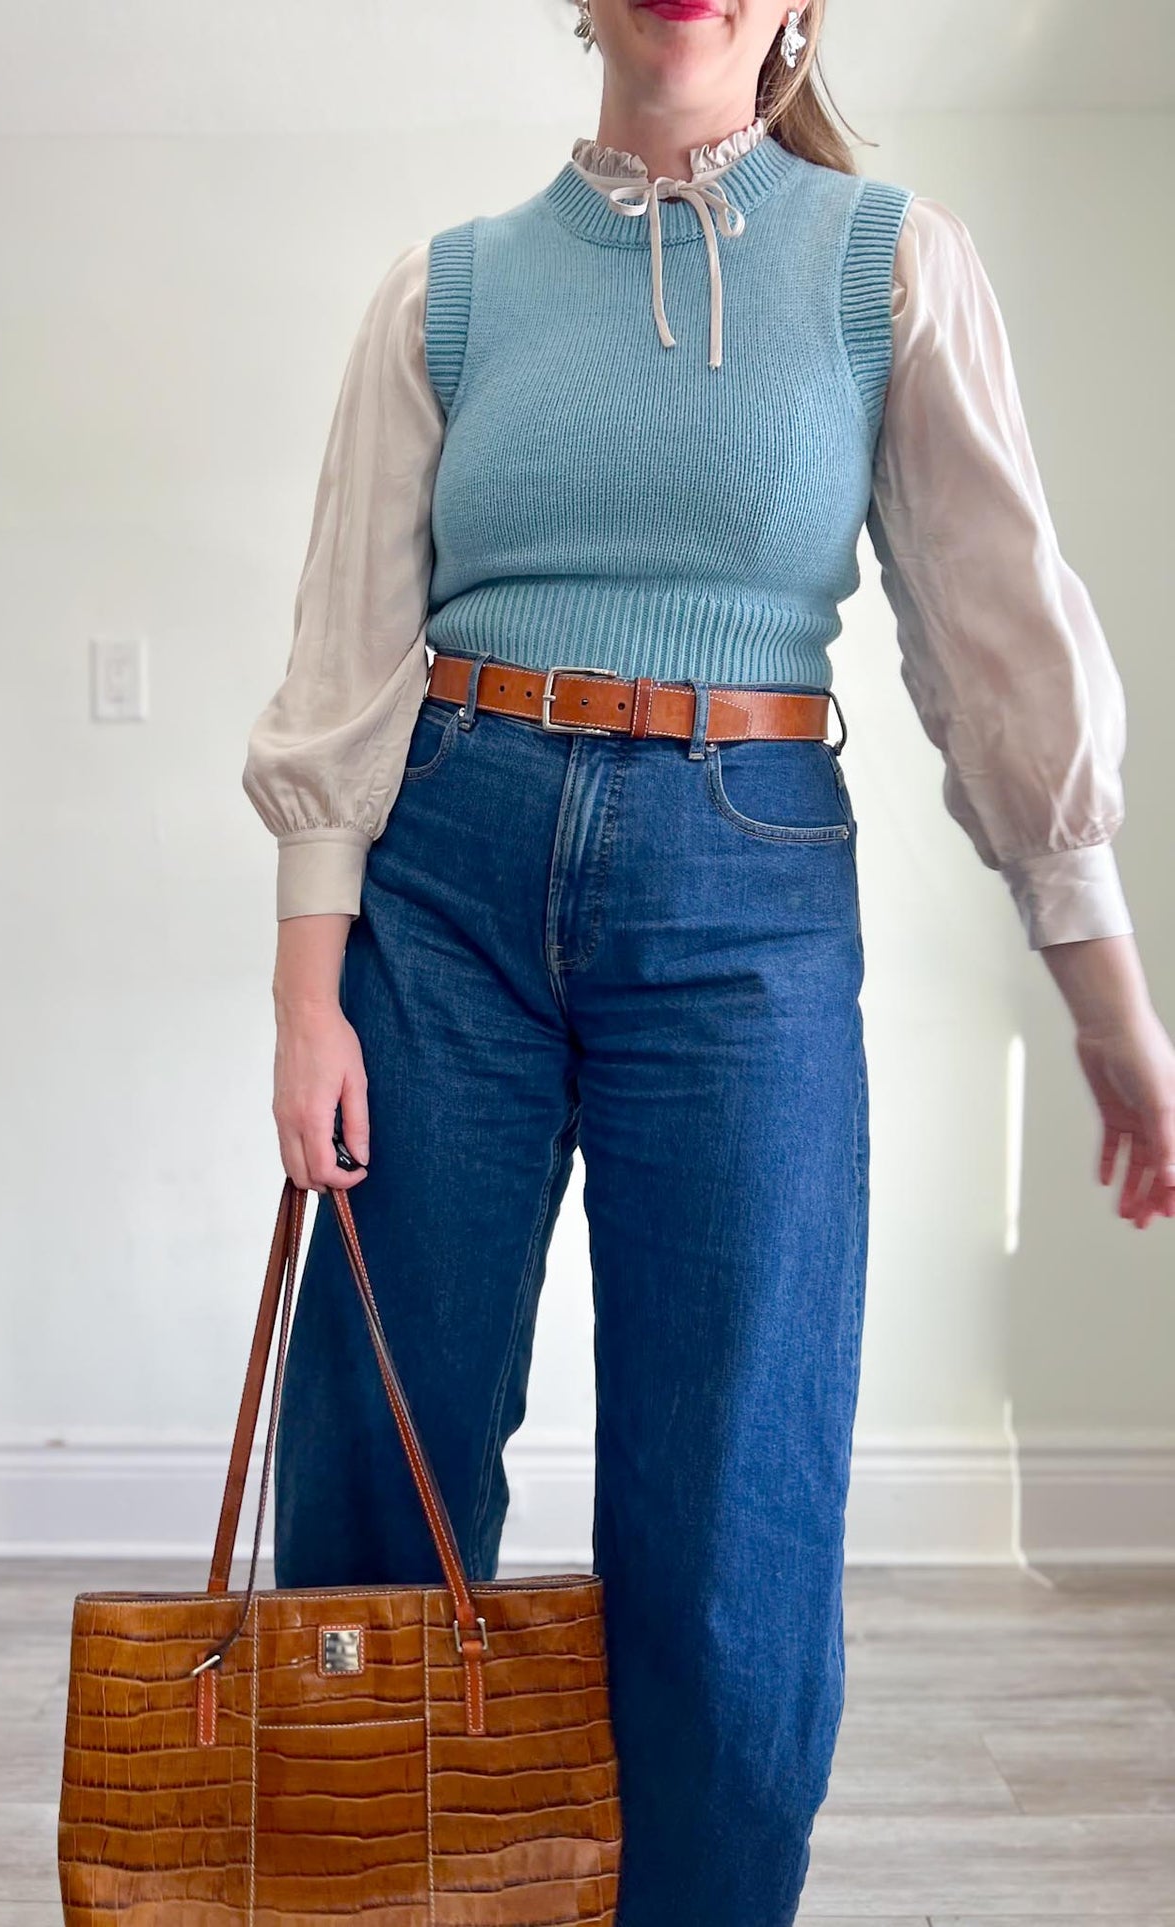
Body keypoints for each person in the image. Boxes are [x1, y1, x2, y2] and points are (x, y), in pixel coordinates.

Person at [239, 2, 1175, 1920]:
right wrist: (303, 994)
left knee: (729, 1489)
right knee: (372, 1457)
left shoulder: (882, 261)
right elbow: (344, 652)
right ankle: (361, 1894)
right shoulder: (448, 294)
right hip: (441, 878)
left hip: (738, 888)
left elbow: (996, 640)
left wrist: (1110, 1004)